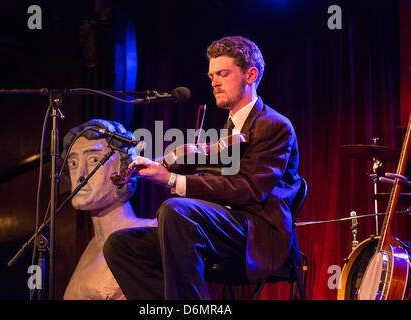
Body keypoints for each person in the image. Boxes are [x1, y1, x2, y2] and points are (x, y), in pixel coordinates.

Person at [103, 36, 301, 299]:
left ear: (250, 75)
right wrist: (159, 164)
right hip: (219, 225)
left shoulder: (274, 125)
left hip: (254, 232)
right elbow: (214, 175)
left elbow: (250, 189)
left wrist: (172, 180)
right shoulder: (228, 130)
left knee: (176, 211)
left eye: (223, 74)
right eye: (211, 76)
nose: (214, 82)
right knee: (121, 245)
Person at [61, 119, 156, 300]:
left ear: (125, 168)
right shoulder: (91, 248)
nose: (80, 174)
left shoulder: (150, 234)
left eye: (94, 160)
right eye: (73, 163)